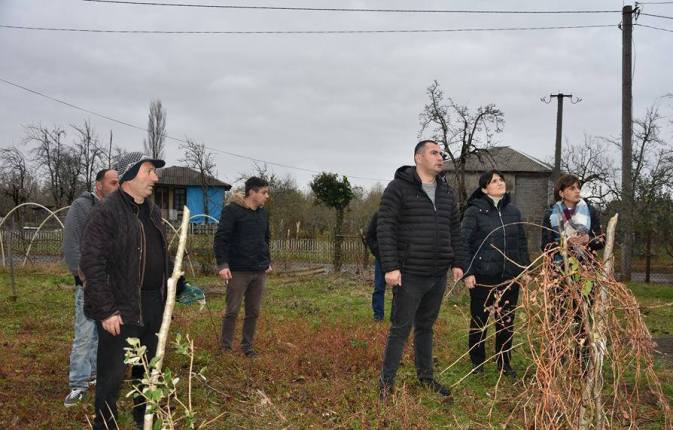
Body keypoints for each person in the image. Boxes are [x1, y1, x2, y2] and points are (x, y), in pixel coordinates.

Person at [80, 152, 167, 430]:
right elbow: (91, 265)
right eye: (149, 171)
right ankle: (105, 424)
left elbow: (159, 255)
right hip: (120, 307)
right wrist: (106, 311)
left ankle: (144, 418)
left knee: (148, 367)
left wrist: (179, 283)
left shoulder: (153, 212)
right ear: (129, 176)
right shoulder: (106, 213)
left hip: (153, 304)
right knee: (113, 373)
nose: (155, 177)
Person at [377, 139, 466, 399]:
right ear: (418, 158)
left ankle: (426, 377)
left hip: (437, 273)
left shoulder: (446, 192)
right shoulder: (398, 189)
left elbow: (454, 231)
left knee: (426, 326)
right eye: (434, 153)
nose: (440, 157)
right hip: (410, 272)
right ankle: (386, 383)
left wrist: (458, 261)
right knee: (400, 328)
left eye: (441, 153)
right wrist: (391, 266)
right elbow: (385, 227)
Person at [461, 170, 529, 379]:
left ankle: (504, 362)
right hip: (483, 275)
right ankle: (477, 362)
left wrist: (524, 269)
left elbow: (521, 243)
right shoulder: (474, 211)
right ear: (484, 188)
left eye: (501, 180)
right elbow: (463, 242)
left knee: (506, 321)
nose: (500, 183)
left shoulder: (513, 212)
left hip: (510, 276)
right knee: (480, 320)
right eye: (494, 181)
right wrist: (468, 272)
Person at [63, 168, 119, 407]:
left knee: (104, 332)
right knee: (85, 334)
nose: (118, 186)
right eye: (113, 182)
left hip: (111, 284)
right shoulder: (82, 207)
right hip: (88, 283)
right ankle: (78, 383)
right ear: (99, 185)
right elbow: (72, 245)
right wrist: (84, 277)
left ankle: (95, 373)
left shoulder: (117, 210)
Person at [214, 177, 271, 357]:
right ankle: (225, 348)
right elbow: (221, 239)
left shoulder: (263, 213)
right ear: (251, 192)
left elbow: (265, 239)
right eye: (264, 192)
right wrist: (223, 264)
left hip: (258, 270)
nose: (266, 196)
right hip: (238, 270)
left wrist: (266, 261)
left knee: (253, 311)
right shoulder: (232, 211)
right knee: (232, 310)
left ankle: (247, 347)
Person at [541, 174, 604, 256]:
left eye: (578, 187)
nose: (577, 191)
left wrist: (588, 239)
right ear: (561, 193)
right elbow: (545, 247)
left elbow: (601, 242)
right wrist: (565, 243)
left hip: (586, 265)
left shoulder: (590, 211)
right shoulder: (551, 214)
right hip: (560, 265)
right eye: (572, 188)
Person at [365, 212, 385, 321]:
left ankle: (397, 316)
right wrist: (377, 251)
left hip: (398, 258)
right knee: (379, 287)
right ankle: (378, 315)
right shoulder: (378, 216)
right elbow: (369, 236)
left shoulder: (401, 215)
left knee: (400, 289)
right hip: (381, 259)